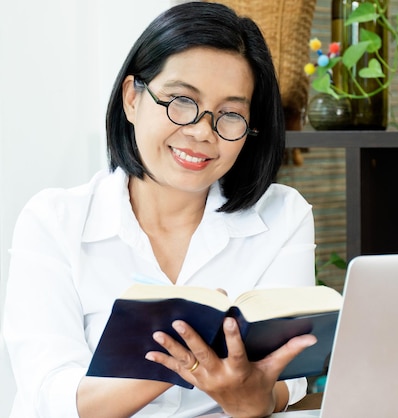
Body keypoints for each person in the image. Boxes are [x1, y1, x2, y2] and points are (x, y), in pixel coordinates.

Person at [2, 2, 318, 417]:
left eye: (230, 114)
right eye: (181, 101)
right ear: (132, 98)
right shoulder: (53, 221)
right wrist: (186, 356)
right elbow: (51, 395)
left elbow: (287, 376)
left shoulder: (283, 215)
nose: (202, 132)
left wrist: (254, 399)